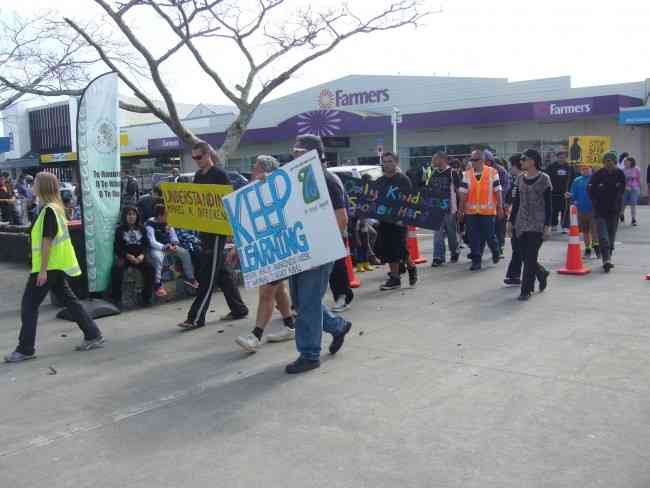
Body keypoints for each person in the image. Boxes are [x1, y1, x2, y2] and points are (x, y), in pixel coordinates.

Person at [4, 172, 104, 363]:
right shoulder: (55, 209)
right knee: (70, 301)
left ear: (42, 187)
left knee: (29, 306)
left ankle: (25, 349)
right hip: (55, 266)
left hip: (47, 268)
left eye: (35, 184)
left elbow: (47, 241)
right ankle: (93, 334)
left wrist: (41, 271)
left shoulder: (49, 210)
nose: (32, 186)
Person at [285, 134, 352, 374]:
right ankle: (337, 326)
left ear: (313, 153)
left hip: (318, 254)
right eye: (294, 152)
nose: (294, 156)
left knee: (308, 304)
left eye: (299, 152)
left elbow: (341, 218)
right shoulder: (300, 179)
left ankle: (310, 354)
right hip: (301, 250)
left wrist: (319, 252)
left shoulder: (327, 179)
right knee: (303, 303)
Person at [178, 141, 249, 330]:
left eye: (198, 157)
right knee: (222, 272)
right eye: (193, 158)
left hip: (217, 231)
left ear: (208, 155)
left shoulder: (219, 174)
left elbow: (228, 202)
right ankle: (239, 308)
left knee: (207, 275)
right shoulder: (197, 176)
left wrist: (230, 232)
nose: (196, 161)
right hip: (205, 230)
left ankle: (196, 317)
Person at [235, 156, 296, 353]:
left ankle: (256, 336)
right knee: (278, 290)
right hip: (267, 248)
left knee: (267, 292)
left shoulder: (272, 189)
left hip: (277, 248)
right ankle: (290, 326)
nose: (252, 169)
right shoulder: (252, 192)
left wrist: (269, 182)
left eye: (256, 167)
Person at [511, 149, 552, 301]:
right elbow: (516, 202)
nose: (521, 162)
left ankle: (526, 290)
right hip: (521, 223)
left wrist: (547, 226)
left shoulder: (544, 179)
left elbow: (549, 205)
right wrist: (510, 221)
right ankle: (541, 272)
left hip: (537, 224)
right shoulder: (520, 178)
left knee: (530, 257)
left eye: (523, 159)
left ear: (532, 161)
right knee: (524, 256)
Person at [375, 151, 418, 290]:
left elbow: (409, 200)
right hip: (384, 220)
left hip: (399, 221)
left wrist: (404, 218)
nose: (387, 164)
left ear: (396, 163)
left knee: (400, 248)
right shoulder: (379, 181)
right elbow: (374, 200)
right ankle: (395, 278)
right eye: (385, 161)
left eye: (390, 161)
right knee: (388, 249)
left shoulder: (403, 180)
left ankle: (411, 266)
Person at [458, 149, 504, 271]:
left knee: (490, 236)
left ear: (483, 160)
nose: (473, 162)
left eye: (475, 160)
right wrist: (461, 210)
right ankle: (476, 261)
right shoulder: (466, 174)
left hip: (488, 212)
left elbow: (498, 191)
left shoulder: (492, 172)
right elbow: (463, 194)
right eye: (471, 160)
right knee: (474, 238)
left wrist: (500, 207)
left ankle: (496, 250)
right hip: (471, 212)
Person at [146, 204, 199, 297]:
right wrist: (164, 247)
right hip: (157, 248)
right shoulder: (150, 225)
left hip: (170, 246)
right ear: (160, 215)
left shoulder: (168, 223)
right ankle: (158, 285)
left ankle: (190, 277)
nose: (168, 216)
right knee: (158, 258)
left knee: (184, 253)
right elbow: (152, 241)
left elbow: (173, 236)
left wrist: (174, 243)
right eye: (166, 215)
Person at [588, 151, 626, 273]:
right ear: (603, 163)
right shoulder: (598, 174)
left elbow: (621, 192)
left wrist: (620, 209)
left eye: (611, 162)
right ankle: (606, 260)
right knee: (603, 237)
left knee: (611, 237)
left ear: (615, 162)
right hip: (600, 211)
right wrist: (595, 202)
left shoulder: (620, 174)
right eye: (606, 162)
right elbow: (590, 189)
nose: (608, 164)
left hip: (614, 211)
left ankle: (608, 257)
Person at [111, 205, 155, 307]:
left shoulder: (142, 228)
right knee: (116, 269)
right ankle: (116, 298)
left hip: (139, 256)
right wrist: (127, 256)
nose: (131, 217)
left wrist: (142, 255)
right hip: (126, 257)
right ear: (125, 216)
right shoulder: (120, 230)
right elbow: (117, 247)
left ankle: (146, 298)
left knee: (151, 269)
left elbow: (146, 244)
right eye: (129, 214)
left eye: (134, 214)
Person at [424, 151, 459, 266]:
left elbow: (458, 191)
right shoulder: (433, 173)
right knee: (437, 234)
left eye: (435, 159)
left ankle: (455, 251)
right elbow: (429, 189)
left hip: (450, 209)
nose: (433, 161)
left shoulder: (452, 173)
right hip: (436, 209)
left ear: (442, 159)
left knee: (451, 233)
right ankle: (438, 257)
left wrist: (459, 210)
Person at [567, 164, 599, 259]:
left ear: (591, 169)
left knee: (594, 230)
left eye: (587, 168)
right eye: (583, 169)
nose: (585, 170)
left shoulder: (595, 179)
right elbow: (573, 194)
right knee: (585, 231)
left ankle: (597, 248)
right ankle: (588, 248)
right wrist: (569, 195)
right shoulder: (577, 181)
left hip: (593, 209)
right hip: (581, 209)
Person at [484, 150, 511, 256]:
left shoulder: (500, 170)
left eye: (485, 161)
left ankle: (500, 247)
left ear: (489, 161)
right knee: (490, 228)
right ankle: (494, 247)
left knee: (500, 227)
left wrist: (497, 199)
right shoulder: (481, 170)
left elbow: (505, 187)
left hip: (500, 203)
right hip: (486, 205)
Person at [504, 154, 524, 285]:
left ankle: (540, 273)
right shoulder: (516, 180)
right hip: (515, 219)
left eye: (512, 166)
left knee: (522, 250)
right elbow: (510, 199)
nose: (510, 169)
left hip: (523, 221)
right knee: (518, 249)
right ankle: (514, 275)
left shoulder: (524, 180)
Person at [545, 150, 573, 233]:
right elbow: (547, 179)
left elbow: (573, 179)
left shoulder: (569, 168)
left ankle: (565, 226)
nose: (562, 159)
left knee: (565, 210)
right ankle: (553, 225)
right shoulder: (551, 167)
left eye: (563, 158)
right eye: (560, 158)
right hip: (553, 193)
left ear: (566, 158)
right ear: (557, 158)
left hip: (565, 194)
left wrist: (570, 191)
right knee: (553, 210)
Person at [622, 156, 641, 226]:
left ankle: (633, 219)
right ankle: (621, 214)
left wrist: (639, 188)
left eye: (626, 161)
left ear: (631, 162)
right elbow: (622, 180)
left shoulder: (637, 169)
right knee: (623, 203)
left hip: (634, 188)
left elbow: (638, 179)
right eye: (625, 162)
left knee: (633, 204)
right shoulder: (623, 170)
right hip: (625, 189)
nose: (625, 163)